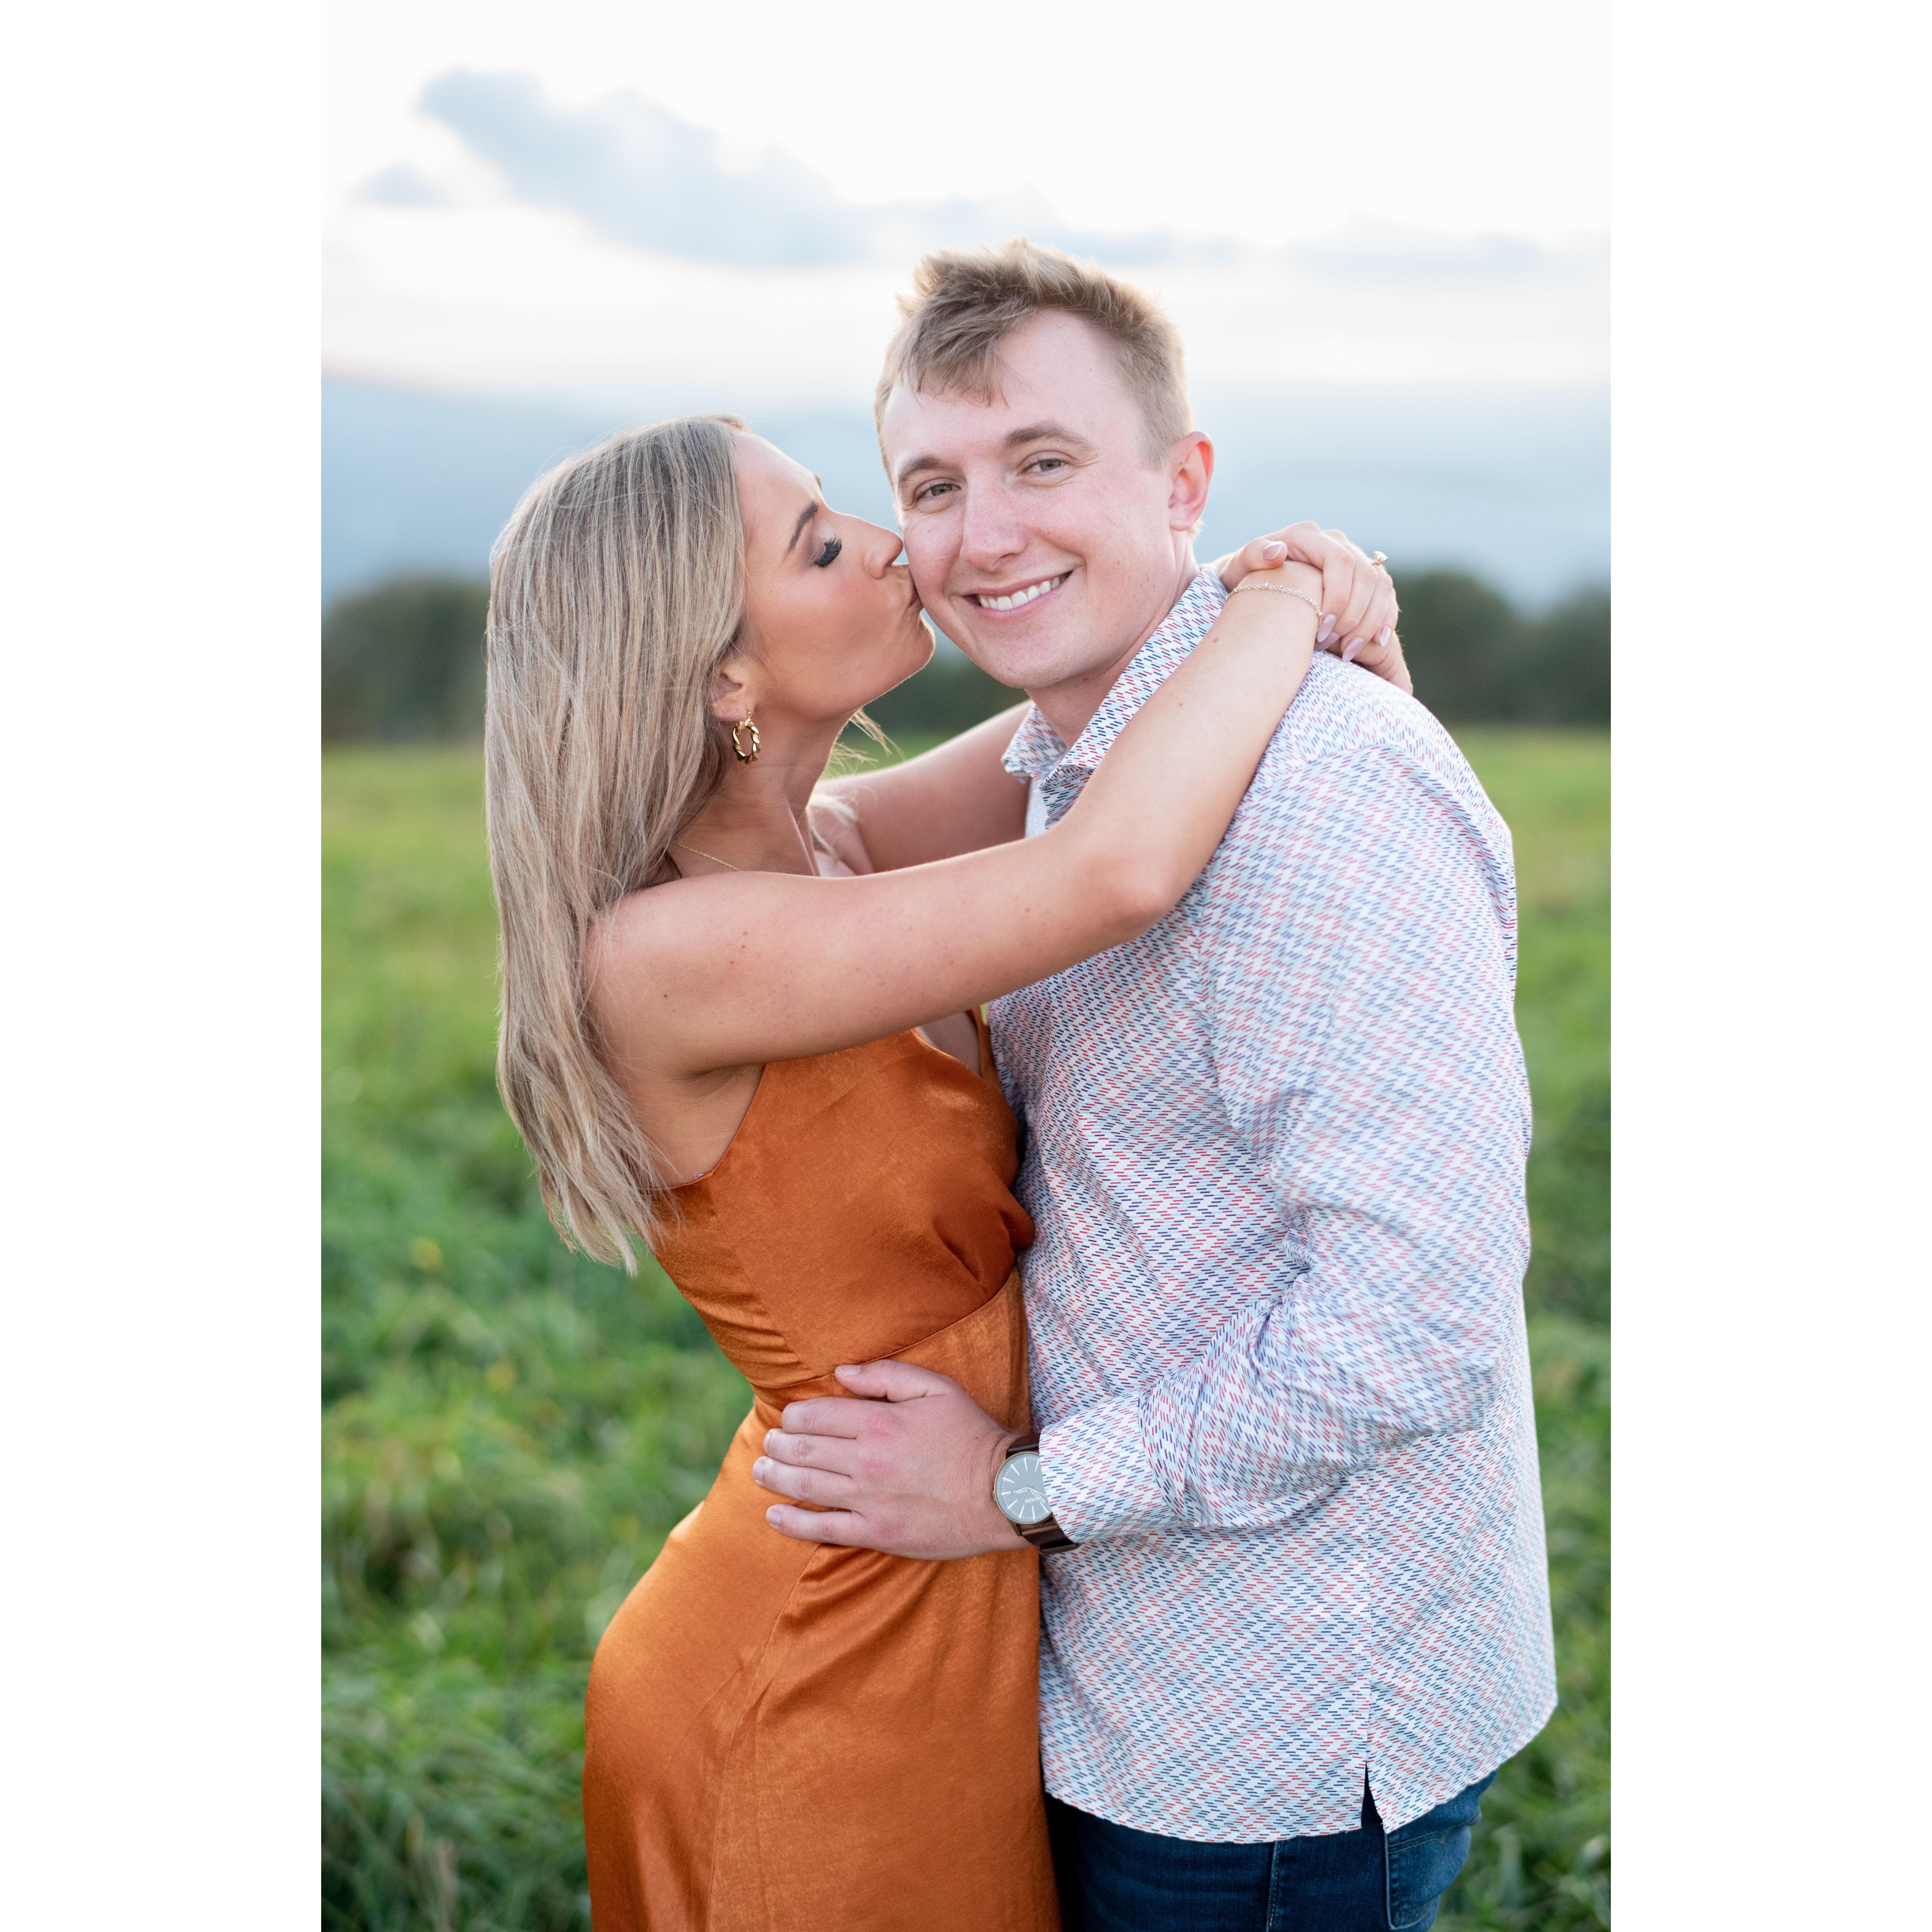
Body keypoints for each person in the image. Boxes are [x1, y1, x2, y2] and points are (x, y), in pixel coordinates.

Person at [482, 402, 1402, 1928]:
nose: (891, 547)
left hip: (949, 1581)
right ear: (724, 673)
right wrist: (1289, 597)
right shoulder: (670, 951)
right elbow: (1112, 863)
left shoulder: (828, 847)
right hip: (817, 1651)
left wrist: (1268, 569)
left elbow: (1092, 718)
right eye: (820, 542)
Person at [754, 241, 1558, 1931]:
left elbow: (1413, 1320)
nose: (983, 537)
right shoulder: (1072, 765)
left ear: (1184, 480)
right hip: (1108, 1670)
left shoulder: (1322, 795)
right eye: (934, 487)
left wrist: (1020, 1492)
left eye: (1043, 463)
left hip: (1270, 1728)